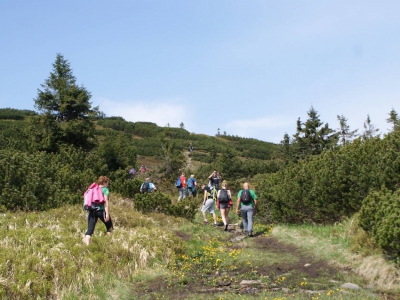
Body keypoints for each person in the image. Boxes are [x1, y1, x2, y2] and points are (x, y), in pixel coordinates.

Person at [84, 176, 113, 246]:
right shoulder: (105, 190)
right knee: (110, 227)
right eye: (107, 183)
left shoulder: (92, 189)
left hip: (91, 211)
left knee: (89, 230)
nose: (108, 185)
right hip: (101, 211)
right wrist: (107, 214)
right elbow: (105, 202)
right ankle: (107, 243)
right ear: (104, 182)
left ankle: (87, 246)